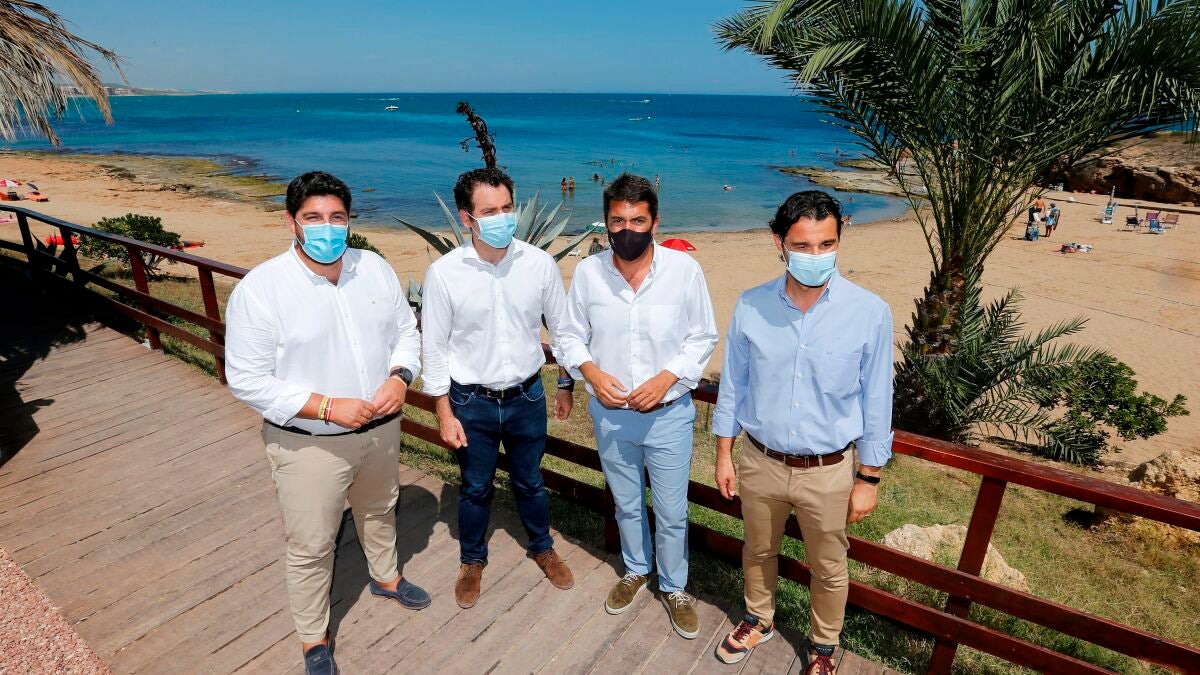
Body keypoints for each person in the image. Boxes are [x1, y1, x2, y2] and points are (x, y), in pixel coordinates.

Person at [225, 171, 428, 675]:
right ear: (291, 221)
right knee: (312, 544)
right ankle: (314, 639)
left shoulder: (373, 268)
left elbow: (406, 332)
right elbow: (245, 378)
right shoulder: (262, 289)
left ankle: (385, 577)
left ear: (349, 220)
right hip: (308, 444)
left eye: (337, 217)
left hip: (380, 429)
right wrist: (324, 406)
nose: (327, 227)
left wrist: (401, 376)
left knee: (380, 509)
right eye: (313, 217)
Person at [712, 191, 893, 672]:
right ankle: (758, 618)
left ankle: (824, 646)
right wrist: (724, 454)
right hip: (760, 460)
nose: (816, 255)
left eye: (826, 244)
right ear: (779, 243)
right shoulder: (751, 305)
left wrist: (869, 477)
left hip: (829, 470)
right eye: (803, 246)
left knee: (829, 566)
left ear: (839, 240)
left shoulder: (870, 312)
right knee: (758, 549)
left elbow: (877, 398)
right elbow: (734, 387)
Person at [558, 173, 719, 640]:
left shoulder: (684, 271)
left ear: (655, 222)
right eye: (617, 221)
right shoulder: (589, 273)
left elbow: (703, 336)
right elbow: (569, 335)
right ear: (606, 222)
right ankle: (635, 569)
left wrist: (667, 378)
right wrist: (591, 373)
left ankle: (674, 587)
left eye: (637, 221)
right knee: (626, 504)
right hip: (610, 416)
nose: (626, 230)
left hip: (668, 416)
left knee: (672, 511)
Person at [422, 167, 576, 611]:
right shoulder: (444, 274)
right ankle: (472, 560)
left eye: (507, 207)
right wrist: (444, 413)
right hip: (471, 402)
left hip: (527, 396)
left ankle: (542, 548)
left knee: (530, 480)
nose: (502, 217)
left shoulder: (538, 264)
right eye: (489, 211)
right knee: (475, 486)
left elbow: (563, 330)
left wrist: (565, 383)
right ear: (466, 217)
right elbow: (434, 348)